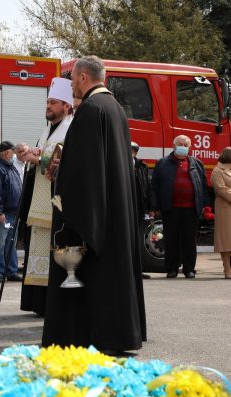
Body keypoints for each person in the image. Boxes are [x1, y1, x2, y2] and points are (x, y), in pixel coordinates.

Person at [42, 56, 146, 353]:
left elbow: (84, 170)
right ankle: (118, 334)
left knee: (92, 278)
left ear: (83, 78)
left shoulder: (90, 110)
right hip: (114, 209)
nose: (72, 85)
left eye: (73, 80)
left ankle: (91, 336)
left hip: (95, 216)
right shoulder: (115, 108)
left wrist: (64, 195)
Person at [19, 77, 73, 316]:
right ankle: (38, 303)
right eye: (48, 102)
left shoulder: (70, 128)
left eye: (53, 102)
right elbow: (46, 154)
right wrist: (34, 153)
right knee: (37, 249)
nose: (48, 106)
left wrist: (38, 159)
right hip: (39, 202)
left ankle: (53, 304)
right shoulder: (48, 129)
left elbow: (67, 162)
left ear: (66, 106)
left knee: (55, 249)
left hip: (57, 202)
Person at [151, 135, 208, 279]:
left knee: (189, 240)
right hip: (170, 208)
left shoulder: (197, 164)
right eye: (180, 144)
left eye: (185, 144)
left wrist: (204, 205)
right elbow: (155, 186)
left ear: (190, 147)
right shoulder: (162, 163)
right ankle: (172, 269)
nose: (183, 146)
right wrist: (154, 206)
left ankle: (189, 269)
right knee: (171, 240)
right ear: (174, 146)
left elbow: (203, 186)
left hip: (191, 209)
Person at [0, 141, 23, 283]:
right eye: (13, 152)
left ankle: (11, 271)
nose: (14, 155)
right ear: (7, 152)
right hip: (4, 213)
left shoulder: (9, 166)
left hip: (13, 212)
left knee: (10, 243)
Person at [131, 141, 153, 279]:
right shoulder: (117, 165)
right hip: (124, 209)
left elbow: (148, 188)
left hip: (138, 208)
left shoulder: (142, 166)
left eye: (134, 150)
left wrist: (150, 207)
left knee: (137, 241)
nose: (131, 152)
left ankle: (137, 270)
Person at [211, 147, 231, 278]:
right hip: (225, 209)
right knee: (225, 241)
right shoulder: (217, 171)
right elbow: (221, 189)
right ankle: (227, 270)